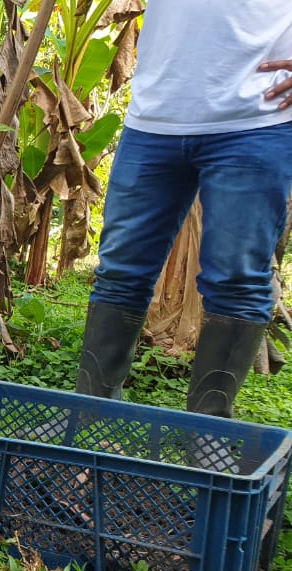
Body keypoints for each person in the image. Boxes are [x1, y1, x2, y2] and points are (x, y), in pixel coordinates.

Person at [76, 1, 292, 418]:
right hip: (155, 116)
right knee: (120, 272)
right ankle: (89, 418)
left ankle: (207, 434)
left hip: (256, 119)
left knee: (237, 280)